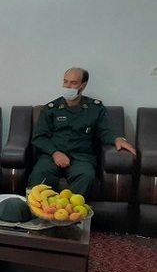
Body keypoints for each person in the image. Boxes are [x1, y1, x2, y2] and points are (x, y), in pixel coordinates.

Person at [28, 68, 136, 196]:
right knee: (39, 175)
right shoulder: (51, 109)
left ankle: (67, 207)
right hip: (51, 155)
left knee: (86, 176)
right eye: (65, 82)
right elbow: (39, 137)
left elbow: (106, 130)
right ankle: (42, 208)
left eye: (73, 83)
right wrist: (55, 153)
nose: (68, 86)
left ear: (83, 86)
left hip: (81, 157)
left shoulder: (95, 108)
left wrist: (117, 139)